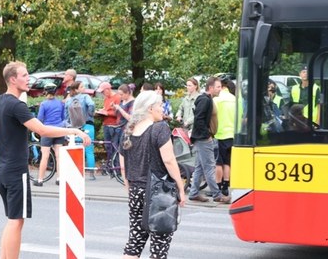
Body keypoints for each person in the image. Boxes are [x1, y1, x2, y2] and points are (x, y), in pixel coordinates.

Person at [0, 61, 90, 259]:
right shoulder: (16, 105)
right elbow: (41, 129)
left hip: (2, 169)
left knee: (11, 220)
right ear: (13, 79)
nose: (28, 78)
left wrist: (1, 138)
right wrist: (73, 130)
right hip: (16, 171)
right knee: (17, 221)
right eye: (24, 75)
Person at [118, 90, 186, 259]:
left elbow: (124, 168)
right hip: (158, 192)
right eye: (160, 105)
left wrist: (130, 188)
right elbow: (169, 161)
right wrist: (180, 186)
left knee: (135, 240)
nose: (163, 108)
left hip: (135, 190)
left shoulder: (128, 131)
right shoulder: (160, 129)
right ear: (150, 108)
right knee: (159, 244)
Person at [187, 77, 231, 204]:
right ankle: (217, 195)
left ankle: (194, 193)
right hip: (203, 138)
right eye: (218, 87)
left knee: (200, 167)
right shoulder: (205, 100)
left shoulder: (207, 99)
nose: (220, 89)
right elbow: (199, 119)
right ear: (210, 88)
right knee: (210, 166)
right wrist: (207, 135)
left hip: (202, 137)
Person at [34, 83, 65, 186]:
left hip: (47, 131)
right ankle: (59, 178)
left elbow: (40, 119)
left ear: (45, 92)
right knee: (59, 156)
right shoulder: (61, 103)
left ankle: (40, 180)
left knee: (45, 156)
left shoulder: (43, 104)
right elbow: (63, 117)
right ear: (55, 92)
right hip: (59, 130)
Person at [65, 81, 96, 169]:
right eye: (82, 87)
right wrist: (90, 114)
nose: (84, 88)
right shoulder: (86, 97)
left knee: (77, 149)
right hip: (88, 125)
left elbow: (66, 116)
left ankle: (77, 170)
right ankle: (91, 172)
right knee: (89, 150)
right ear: (76, 89)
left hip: (75, 127)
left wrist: (69, 124)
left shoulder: (69, 100)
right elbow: (91, 104)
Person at [213, 78, 236, 196]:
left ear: (221, 87)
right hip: (232, 135)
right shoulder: (235, 100)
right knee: (228, 162)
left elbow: (213, 116)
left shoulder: (217, 100)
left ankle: (218, 186)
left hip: (220, 134)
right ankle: (226, 185)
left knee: (218, 162)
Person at [95, 81, 121, 168]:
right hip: (106, 125)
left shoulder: (117, 97)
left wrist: (107, 113)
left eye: (103, 91)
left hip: (114, 126)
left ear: (108, 89)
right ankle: (110, 165)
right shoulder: (106, 98)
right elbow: (107, 109)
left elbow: (119, 112)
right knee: (107, 146)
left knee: (115, 146)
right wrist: (102, 111)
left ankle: (116, 166)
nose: (102, 93)